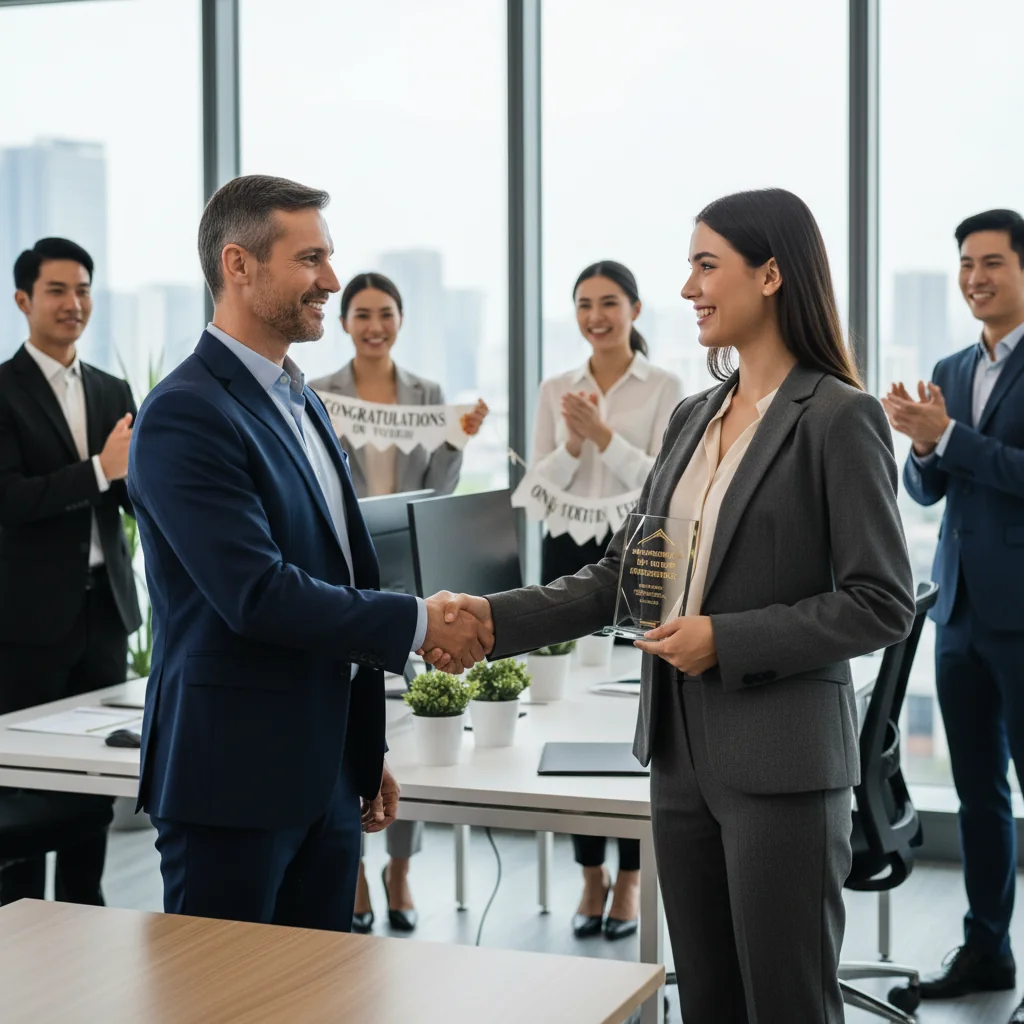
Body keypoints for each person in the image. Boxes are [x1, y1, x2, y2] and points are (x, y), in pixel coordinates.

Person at [427, 189, 916, 1023]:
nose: (687, 288)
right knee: (710, 1004)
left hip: (782, 764)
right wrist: (492, 617)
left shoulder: (839, 416)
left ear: (770, 275)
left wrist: (726, 638)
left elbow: (882, 603)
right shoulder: (695, 416)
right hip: (679, 754)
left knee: (788, 1004)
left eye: (705, 265)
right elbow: (627, 576)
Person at [126, 174, 490, 931]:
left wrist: (360, 751)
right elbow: (257, 595)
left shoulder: (301, 400)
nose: (330, 279)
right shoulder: (186, 412)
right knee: (218, 1007)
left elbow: (341, 573)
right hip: (230, 786)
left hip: (322, 778)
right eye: (311, 259)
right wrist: (422, 623)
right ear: (238, 265)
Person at [311, 271, 488, 933]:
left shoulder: (428, 395)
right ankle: (352, 869)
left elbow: (440, 490)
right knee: (352, 719)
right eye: (361, 314)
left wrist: (456, 439)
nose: (374, 325)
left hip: (405, 576)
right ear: (345, 322)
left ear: (401, 320)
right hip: (343, 577)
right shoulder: (318, 395)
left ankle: (401, 870)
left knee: (403, 734)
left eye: (385, 313)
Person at [883, 209, 1024, 1023]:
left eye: (993, 262)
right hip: (960, 610)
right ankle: (987, 946)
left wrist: (952, 438)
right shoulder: (951, 363)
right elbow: (927, 489)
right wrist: (928, 446)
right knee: (979, 794)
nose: (976, 277)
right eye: (967, 263)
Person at [531, 260, 681, 940]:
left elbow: (663, 485)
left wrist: (602, 438)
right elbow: (540, 486)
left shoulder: (666, 387)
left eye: (610, 303)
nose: (597, 316)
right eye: (585, 304)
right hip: (567, 549)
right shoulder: (556, 387)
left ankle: (629, 876)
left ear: (635, 309)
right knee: (568, 716)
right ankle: (589, 872)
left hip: (641, 554)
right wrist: (570, 442)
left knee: (627, 714)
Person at [0, 237, 140, 906]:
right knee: (25, 781)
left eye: (83, 289)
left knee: (96, 774)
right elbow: (10, 500)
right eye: (57, 290)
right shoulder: (2, 391)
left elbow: (127, 492)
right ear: (24, 300)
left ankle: (87, 909)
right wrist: (98, 471)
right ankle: (22, 922)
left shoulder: (113, 389)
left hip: (104, 612)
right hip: (28, 621)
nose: (73, 303)